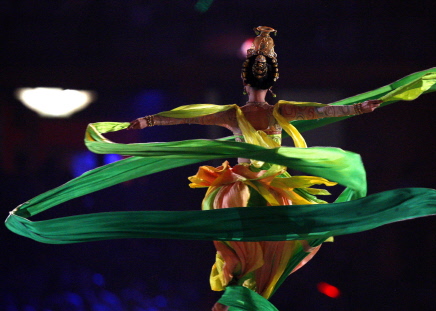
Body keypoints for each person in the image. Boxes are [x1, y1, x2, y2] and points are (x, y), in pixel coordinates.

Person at [128, 26, 381, 310]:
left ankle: (242, 293)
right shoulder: (244, 114)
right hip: (252, 188)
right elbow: (190, 116)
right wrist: (150, 121)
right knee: (246, 252)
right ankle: (237, 292)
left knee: (271, 248)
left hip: (268, 187)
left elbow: (324, 110)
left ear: (248, 82)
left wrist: (359, 107)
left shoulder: (271, 112)